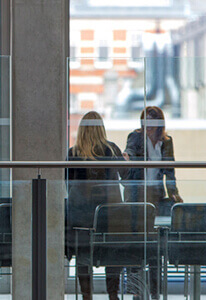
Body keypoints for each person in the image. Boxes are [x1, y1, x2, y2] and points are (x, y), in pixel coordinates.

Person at [66, 111, 126, 300]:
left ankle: (86, 296)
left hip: (82, 217)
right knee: (112, 254)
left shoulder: (73, 153)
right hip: (111, 214)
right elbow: (126, 177)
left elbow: (69, 185)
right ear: (101, 128)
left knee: (83, 256)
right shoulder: (112, 150)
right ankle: (113, 294)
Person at [123, 106, 181, 300]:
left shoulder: (167, 141)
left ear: (159, 123)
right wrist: (127, 157)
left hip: (156, 195)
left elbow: (169, 170)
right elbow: (130, 151)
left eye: (152, 121)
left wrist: (173, 193)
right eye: (145, 121)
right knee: (137, 244)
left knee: (155, 246)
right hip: (137, 196)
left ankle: (154, 292)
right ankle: (136, 291)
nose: (148, 126)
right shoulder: (136, 137)